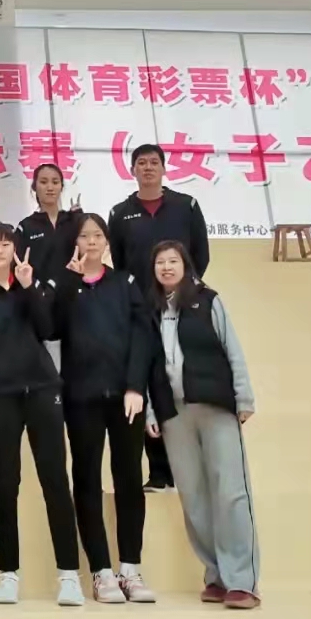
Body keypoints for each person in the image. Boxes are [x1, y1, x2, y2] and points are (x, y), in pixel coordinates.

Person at [0, 222, 84, 606]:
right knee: (5, 485)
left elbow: (47, 329)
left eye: (5, 244)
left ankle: (69, 575)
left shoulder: (32, 284)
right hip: (1, 397)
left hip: (43, 391)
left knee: (55, 481)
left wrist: (30, 287)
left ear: (15, 248)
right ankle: (7, 574)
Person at [146, 241, 260, 610]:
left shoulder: (208, 301)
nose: (166, 267)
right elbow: (146, 365)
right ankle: (216, 575)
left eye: (173, 261)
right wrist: (151, 412)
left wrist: (243, 397)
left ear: (186, 265)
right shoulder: (150, 310)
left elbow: (232, 349)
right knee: (194, 497)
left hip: (214, 405)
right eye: (160, 262)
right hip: (174, 415)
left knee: (230, 492)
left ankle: (242, 581)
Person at [51, 213, 156, 605]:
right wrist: (67, 281)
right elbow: (50, 327)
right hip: (82, 398)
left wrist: (135, 387)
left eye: (97, 235)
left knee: (129, 478)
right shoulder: (66, 284)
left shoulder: (125, 282)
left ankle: (130, 568)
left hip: (126, 398)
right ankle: (101, 571)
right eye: (84, 236)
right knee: (87, 480)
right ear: (75, 243)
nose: (91, 241)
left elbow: (142, 336)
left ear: (107, 241)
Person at [108, 143, 210, 492]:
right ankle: (159, 472)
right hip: (142, 311)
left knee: (186, 381)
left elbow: (200, 255)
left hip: (183, 306)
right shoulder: (120, 213)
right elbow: (120, 262)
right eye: (141, 163)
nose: (148, 168)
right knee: (149, 383)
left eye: (154, 162)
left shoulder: (186, 205)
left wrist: (184, 290)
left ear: (164, 168)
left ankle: (189, 469)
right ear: (132, 170)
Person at [15, 163, 82, 282]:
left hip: (74, 289)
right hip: (37, 291)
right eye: (43, 182)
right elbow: (18, 264)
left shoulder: (73, 221)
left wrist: (82, 218)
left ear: (61, 187)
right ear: (34, 187)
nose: (50, 187)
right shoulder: (26, 226)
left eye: (55, 182)